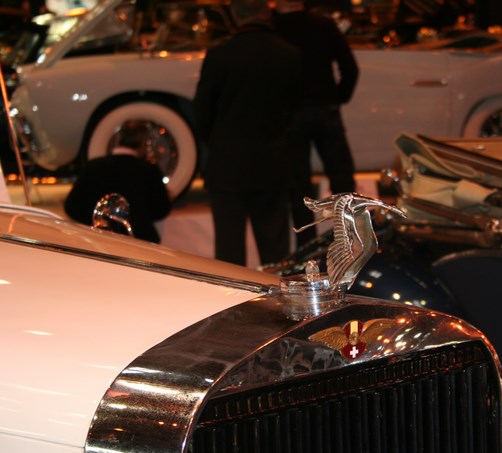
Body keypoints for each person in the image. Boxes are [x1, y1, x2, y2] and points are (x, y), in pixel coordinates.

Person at [192, 0, 301, 266]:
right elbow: (297, 111)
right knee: (275, 255)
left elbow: (201, 111)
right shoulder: (289, 53)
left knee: (229, 255)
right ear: (266, 11)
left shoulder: (220, 54)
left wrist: (217, 141)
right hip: (271, 161)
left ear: (234, 14)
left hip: (227, 163)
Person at [273, 0, 359, 247]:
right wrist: (338, 97)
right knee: (341, 178)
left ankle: (306, 247)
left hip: (290, 112)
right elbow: (350, 68)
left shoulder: (273, 28)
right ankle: (350, 241)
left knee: (298, 184)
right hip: (325, 107)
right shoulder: (323, 24)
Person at [64, 120, 171, 243]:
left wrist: (94, 224)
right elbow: (161, 210)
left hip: (96, 242)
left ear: (119, 138)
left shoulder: (93, 166)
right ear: (143, 143)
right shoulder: (149, 170)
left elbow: (72, 208)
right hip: (139, 242)